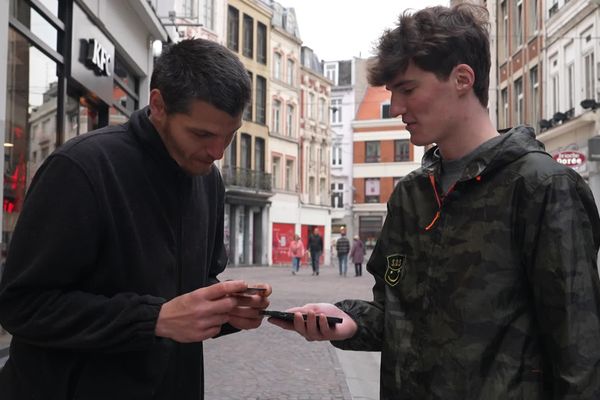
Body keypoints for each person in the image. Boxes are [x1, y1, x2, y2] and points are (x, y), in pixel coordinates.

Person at [268, 4, 600, 399]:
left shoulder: (541, 187)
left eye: (407, 89)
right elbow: (395, 314)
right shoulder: (411, 195)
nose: (397, 108)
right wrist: (348, 321)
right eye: (392, 93)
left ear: (462, 79)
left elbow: (579, 356)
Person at [0, 38, 272, 400]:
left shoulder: (208, 180)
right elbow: (21, 306)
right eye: (202, 134)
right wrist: (153, 319)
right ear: (158, 105)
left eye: (230, 136)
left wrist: (226, 309)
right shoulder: (81, 169)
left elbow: (190, 290)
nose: (217, 152)